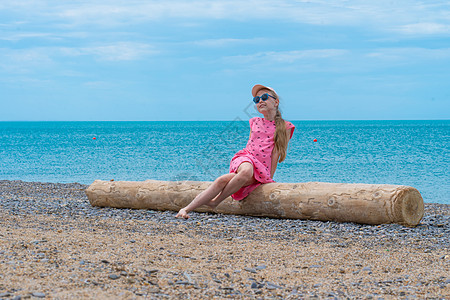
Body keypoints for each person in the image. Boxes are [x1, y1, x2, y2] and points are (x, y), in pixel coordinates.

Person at [176, 84, 295, 219]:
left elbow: (276, 153)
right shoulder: (254, 121)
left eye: (264, 97)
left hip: (261, 169)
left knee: (222, 180)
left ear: (276, 102)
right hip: (246, 158)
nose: (260, 101)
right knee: (245, 171)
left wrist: (269, 177)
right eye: (256, 99)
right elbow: (250, 145)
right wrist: (247, 161)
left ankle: (185, 209)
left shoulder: (286, 127)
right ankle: (214, 202)